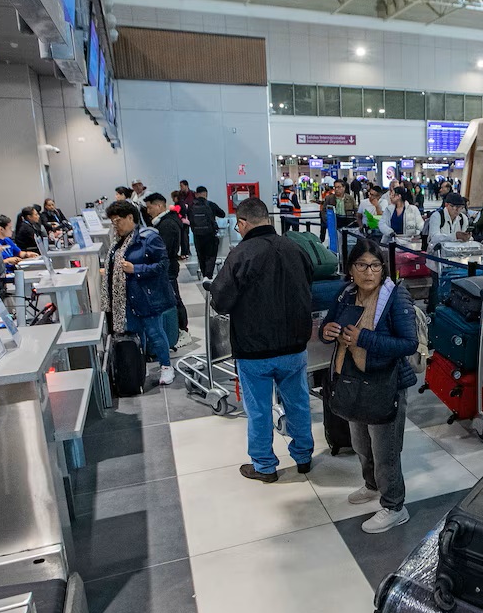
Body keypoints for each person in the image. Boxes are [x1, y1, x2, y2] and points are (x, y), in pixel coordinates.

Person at [210, 196, 315, 481]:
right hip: (294, 346)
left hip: (254, 350)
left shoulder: (241, 254)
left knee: (258, 410)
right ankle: (304, 456)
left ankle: (265, 466)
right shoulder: (295, 248)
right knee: (298, 403)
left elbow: (220, 301)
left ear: (242, 223)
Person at [321, 237, 418, 532]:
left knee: (385, 449)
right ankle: (372, 484)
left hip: (384, 384)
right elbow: (330, 324)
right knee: (361, 443)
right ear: (351, 269)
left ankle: (394, 505)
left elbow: (408, 343)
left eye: (375, 265)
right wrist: (328, 331)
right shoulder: (346, 293)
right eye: (361, 265)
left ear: (383, 269)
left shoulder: (395, 297)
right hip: (352, 379)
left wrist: (363, 339)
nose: (368, 272)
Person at [102, 201, 177, 386]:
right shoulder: (117, 241)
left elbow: (163, 265)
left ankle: (166, 367)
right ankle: (138, 366)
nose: (115, 225)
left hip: (147, 295)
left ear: (130, 218)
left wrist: (137, 268)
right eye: (113, 222)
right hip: (127, 298)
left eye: (118, 221)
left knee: (155, 332)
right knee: (136, 334)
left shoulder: (149, 237)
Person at [145, 193, 192, 349]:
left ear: (159, 206)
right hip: (169, 266)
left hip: (168, 267)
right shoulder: (168, 221)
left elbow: (165, 250)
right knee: (173, 297)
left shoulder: (167, 224)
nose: (148, 211)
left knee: (174, 299)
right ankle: (178, 330)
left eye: (150, 207)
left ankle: (181, 330)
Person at [187, 186, 226, 279]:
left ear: (196, 194)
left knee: (201, 256)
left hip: (197, 235)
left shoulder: (191, 206)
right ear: (206, 194)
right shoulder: (210, 204)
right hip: (210, 234)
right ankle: (208, 276)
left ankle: (204, 274)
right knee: (211, 255)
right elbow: (222, 214)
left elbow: (189, 219)